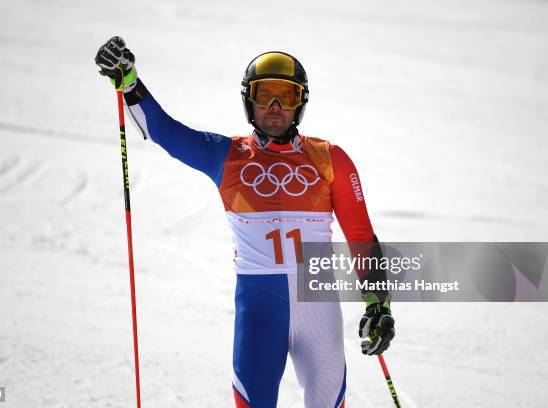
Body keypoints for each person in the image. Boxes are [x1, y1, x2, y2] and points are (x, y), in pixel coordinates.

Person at [95, 36, 395, 408]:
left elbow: (362, 237)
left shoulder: (331, 159)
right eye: (264, 94)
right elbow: (167, 133)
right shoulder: (227, 155)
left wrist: (378, 305)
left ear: (300, 103)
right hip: (259, 309)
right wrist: (130, 83)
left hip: (318, 312)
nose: (274, 106)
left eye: (285, 96)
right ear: (248, 100)